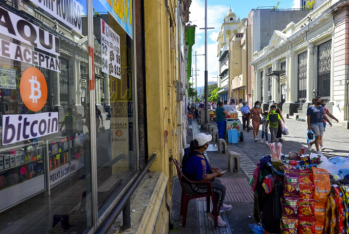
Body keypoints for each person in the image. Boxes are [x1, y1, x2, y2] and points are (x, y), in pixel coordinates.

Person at [182, 133, 232, 227]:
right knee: (221, 189)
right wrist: (216, 174)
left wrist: (211, 169)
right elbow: (203, 178)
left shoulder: (191, 151)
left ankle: (219, 205)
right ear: (204, 145)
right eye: (207, 142)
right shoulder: (198, 159)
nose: (208, 144)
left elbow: (197, 168)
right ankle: (214, 215)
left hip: (188, 181)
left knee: (218, 183)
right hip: (193, 186)